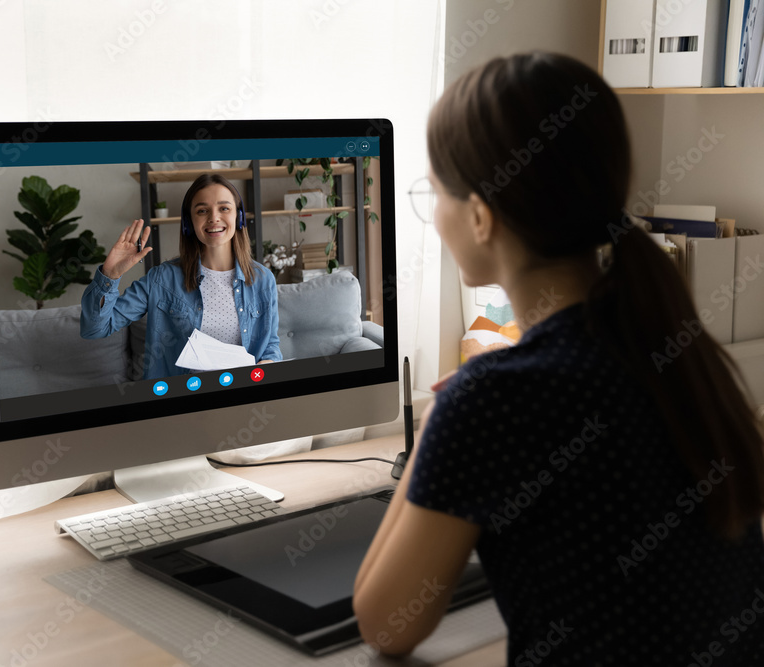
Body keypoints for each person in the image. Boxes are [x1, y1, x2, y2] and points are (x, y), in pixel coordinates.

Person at [354, 52, 764, 663]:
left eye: (434, 192)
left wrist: (450, 411)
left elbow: (385, 622)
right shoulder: (675, 352)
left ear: (480, 217)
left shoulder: (498, 396)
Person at [81, 173, 281, 380]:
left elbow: (270, 345)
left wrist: (270, 362)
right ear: (189, 222)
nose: (214, 217)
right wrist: (110, 274)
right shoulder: (161, 279)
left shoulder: (263, 279)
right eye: (202, 211)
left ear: (238, 217)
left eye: (224, 208)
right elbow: (94, 329)